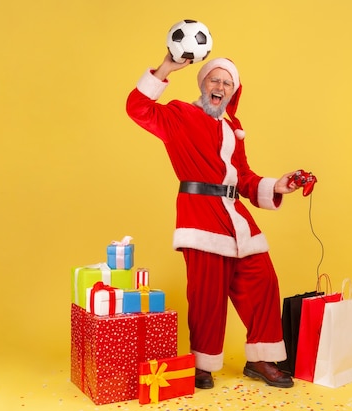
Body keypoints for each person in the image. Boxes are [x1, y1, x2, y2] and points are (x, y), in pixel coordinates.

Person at [126, 53, 303, 389]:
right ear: (203, 84)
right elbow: (138, 109)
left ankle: (261, 358)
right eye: (214, 80)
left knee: (263, 280)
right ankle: (202, 364)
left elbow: (245, 178)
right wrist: (165, 69)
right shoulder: (180, 115)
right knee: (207, 293)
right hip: (201, 217)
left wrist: (277, 185)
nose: (220, 87)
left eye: (227, 83)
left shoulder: (234, 128)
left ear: (233, 92)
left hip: (236, 217)